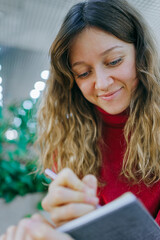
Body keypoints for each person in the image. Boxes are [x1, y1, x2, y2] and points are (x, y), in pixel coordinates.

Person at [1, 0, 160, 239]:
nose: (103, 84)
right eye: (84, 73)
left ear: (141, 53)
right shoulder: (70, 137)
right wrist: (63, 220)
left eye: (114, 61)